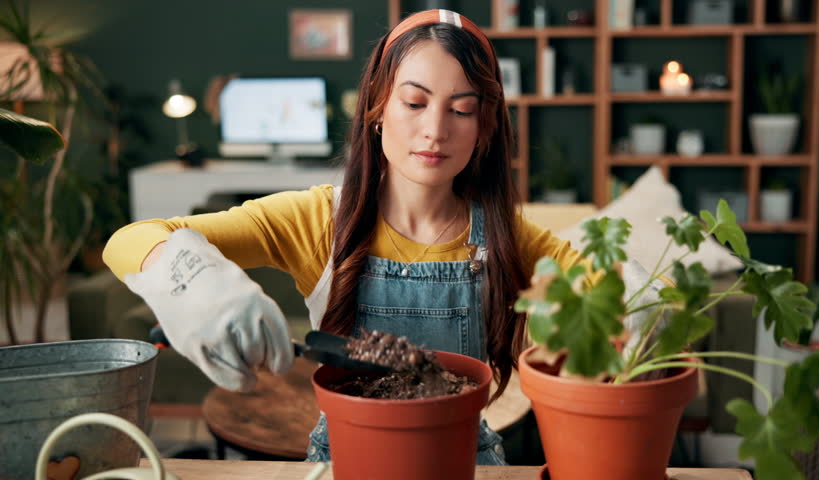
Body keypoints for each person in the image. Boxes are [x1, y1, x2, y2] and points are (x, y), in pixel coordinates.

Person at [103, 9, 662, 465]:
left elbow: (611, 292)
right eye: (414, 102)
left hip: (463, 461)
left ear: (485, 128)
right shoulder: (321, 220)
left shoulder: (510, 240)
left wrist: (634, 299)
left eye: (461, 109)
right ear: (376, 107)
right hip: (345, 461)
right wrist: (192, 280)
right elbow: (132, 238)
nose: (435, 130)